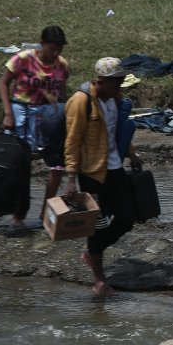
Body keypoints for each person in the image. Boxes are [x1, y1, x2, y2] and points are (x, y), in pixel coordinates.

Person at [64, 57, 141, 297]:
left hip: (114, 166)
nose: (120, 86)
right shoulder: (81, 102)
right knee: (96, 227)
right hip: (91, 172)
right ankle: (99, 280)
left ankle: (92, 253)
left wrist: (131, 153)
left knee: (127, 217)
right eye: (116, 82)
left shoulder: (114, 99)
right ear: (101, 81)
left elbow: (116, 131)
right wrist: (70, 177)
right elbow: (72, 141)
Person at [0, 25, 70, 230]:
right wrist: (8, 113)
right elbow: (4, 83)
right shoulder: (23, 59)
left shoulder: (62, 65)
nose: (54, 54)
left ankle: (45, 213)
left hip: (50, 114)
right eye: (51, 49)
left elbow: (62, 94)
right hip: (23, 111)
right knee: (21, 165)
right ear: (42, 43)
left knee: (57, 164)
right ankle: (19, 214)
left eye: (58, 49)